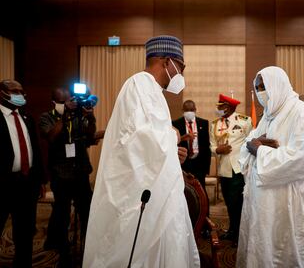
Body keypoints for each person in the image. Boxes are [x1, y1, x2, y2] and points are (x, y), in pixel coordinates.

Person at [83, 35, 200, 268]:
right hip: (139, 195)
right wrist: (173, 135)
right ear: (166, 62)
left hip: (157, 190)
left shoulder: (152, 89)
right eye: (181, 67)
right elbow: (142, 137)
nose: (181, 74)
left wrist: (171, 151)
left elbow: (152, 142)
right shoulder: (140, 84)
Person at [236, 67, 304, 267]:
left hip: (292, 203)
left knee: (289, 254)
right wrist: (254, 146)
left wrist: (260, 150)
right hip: (265, 204)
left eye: (263, 87)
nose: (260, 92)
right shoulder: (269, 115)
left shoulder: (303, 115)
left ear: (278, 84)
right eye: (257, 87)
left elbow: (299, 160)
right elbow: (249, 143)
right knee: (264, 249)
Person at [39, 87, 96, 266]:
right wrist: (65, 116)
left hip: (80, 171)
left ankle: (89, 248)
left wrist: (89, 117)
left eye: (69, 102)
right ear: (54, 103)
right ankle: (63, 252)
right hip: (60, 174)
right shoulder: (46, 117)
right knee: (62, 213)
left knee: (87, 211)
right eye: (63, 103)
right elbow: (51, 137)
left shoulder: (78, 116)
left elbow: (90, 136)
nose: (68, 105)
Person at [0, 79, 45, 268]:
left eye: (21, 91)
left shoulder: (27, 117)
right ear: (2, 93)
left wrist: (40, 181)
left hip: (27, 184)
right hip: (3, 185)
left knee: (25, 233)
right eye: (15, 91)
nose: (20, 95)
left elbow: (35, 150)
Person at [209, 94, 252, 245]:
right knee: (229, 202)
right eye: (219, 107)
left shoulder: (245, 121)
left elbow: (250, 143)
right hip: (224, 169)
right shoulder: (215, 124)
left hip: (238, 169)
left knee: (238, 203)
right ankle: (233, 230)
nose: (219, 110)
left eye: (222, 107)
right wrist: (218, 150)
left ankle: (240, 234)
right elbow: (212, 145)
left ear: (230, 107)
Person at [173, 100, 211, 191]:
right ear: (182, 110)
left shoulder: (203, 123)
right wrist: (182, 138)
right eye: (186, 110)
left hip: (199, 163)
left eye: (191, 110)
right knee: (183, 190)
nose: (189, 112)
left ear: (195, 110)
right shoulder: (176, 123)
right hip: (183, 163)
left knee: (201, 190)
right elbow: (172, 143)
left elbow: (206, 146)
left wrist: (206, 168)